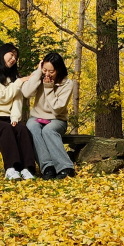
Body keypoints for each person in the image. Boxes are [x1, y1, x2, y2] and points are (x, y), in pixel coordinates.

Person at [0, 44, 38, 180]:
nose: (13, 59)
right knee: (6, 129)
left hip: (9, 118)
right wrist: (18, 82)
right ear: (2, 54)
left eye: (16, 57)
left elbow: (17, 101)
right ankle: (11, 169)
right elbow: (3, 97)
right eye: (11, 54)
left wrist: (15, 117)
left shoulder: (13, 79)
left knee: (23, 129)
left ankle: (27, 169)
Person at [22, 51, 77, 179]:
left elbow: (57, 110)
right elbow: (26, 92)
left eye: (51, 72)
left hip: (57, 119)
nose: (47, 74)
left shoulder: (67, 84)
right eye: (45, 70)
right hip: (37, 117)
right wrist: (37, 73)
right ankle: (48, 167)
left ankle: (66, 168)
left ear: (58, 70)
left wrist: (48, 87)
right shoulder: (39, 76)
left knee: (48, 131)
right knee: (32, 127)